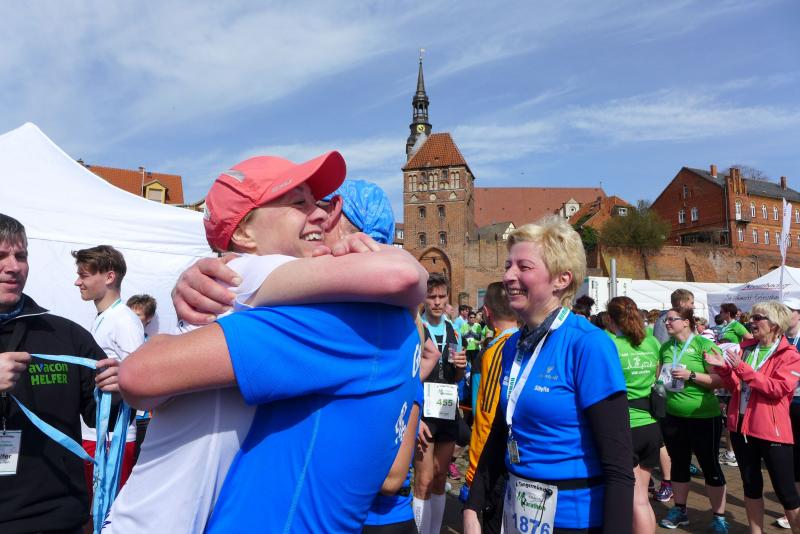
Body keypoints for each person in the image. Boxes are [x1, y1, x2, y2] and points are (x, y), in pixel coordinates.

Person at [111, 156, 428, 533]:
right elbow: (402, 275)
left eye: (321, 203)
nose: (320, 214)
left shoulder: (267, 295)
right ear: (245, 234)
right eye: (299, 203)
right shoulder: (243, 272)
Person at [464, 216, 634, 534]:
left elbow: (619, 467)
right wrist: (473, 504)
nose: (508, 276)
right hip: (516, 513)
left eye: (523, 267)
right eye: (508, 265)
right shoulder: (511, 346)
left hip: (574, 520)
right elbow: (500, 431)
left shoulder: (588, 345)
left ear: (561, 279)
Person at [0, 213, 120, 533]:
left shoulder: (65, 335)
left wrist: (120, 390)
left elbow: (102, 416)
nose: (13, 267)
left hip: (59, 517)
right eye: (1, 256)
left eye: (21, 256)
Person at [706, 301, 800, 534]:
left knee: (786, 492)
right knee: (751, 486)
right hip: (741, 428)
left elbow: (777, 389)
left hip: (771, 431)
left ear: (774, 324)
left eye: (758, 318)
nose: (751, 322)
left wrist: (741, 368)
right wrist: (724, 369)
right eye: (752, 317)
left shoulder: (790, 355)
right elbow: (734, 386)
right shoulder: (746, 348)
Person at [73, 245, 144, 497]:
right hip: (96, 433)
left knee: (108, 510)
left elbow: (140, 377)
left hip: (113, 438)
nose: (77, 282)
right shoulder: (107, 317)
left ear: (109, 277)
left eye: (84, 275)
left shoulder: (124, 321)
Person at [657, 307, 728, 533]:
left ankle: (719, 517)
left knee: (710, 465)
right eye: (665, 320)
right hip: (673, 416)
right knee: (679, 464)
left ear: (686, 322)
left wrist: (692, 376)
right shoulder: (666, 347)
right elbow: (660, 376)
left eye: (671, 319)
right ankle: (680, 510)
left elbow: (721, 381)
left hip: (704, 417)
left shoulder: (703, 345)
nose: (666, 323)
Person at [461, 282, 518, 534]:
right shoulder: (527, 342)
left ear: (486, 312)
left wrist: (473, 474)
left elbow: (485, 416)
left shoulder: (495, 351)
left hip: (496, 467)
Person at [414, 272, 468, 534]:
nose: (436, 302)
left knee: (439, 477)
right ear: (423, 298)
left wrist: (461, 367)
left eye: (441, 296)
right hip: (424, 412)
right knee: (423, 480)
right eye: (431, 296)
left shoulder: (453, 330)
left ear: (448, 297)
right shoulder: (416, 328)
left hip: (446, 410)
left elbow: (456, 377)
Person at [606, 296, 661, 534]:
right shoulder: (652, 342)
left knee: (635, 500)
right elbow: (658, 376)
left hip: (626, 425)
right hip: (650, 424)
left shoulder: (609, 343)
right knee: (642, 498)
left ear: (610, 319)